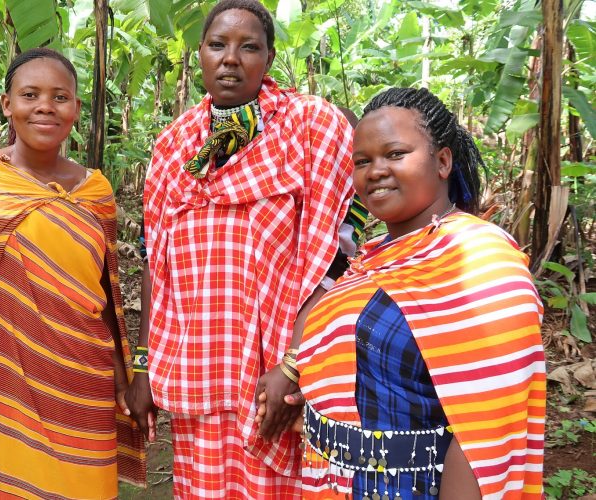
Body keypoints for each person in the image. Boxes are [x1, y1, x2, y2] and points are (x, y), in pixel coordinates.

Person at [126, 0, 358, 496]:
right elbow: (157, 265)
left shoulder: (310, 128)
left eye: (248, 46)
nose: (231, 58)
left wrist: (294, 364)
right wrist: (143, 367)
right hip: (201, 369)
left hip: (278, 375)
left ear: (269, 59)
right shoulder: (174, 146)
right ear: (201, 55)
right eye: (218, 45)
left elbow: (331, 257)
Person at [292, 87, 545, 499]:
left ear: (442, 161)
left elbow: (483, 435)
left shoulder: (481, 260)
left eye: (395, 154)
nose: (375, 171)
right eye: (362, 161)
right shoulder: (375, 258)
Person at [0, 48, 146, 499]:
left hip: (83, 382)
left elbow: (107, 293)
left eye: (60, 97)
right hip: (7, 384)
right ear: (6, 104)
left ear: (75, 108)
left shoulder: (96, 191)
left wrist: (125, 378)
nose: (45, 107)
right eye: (30, 94)